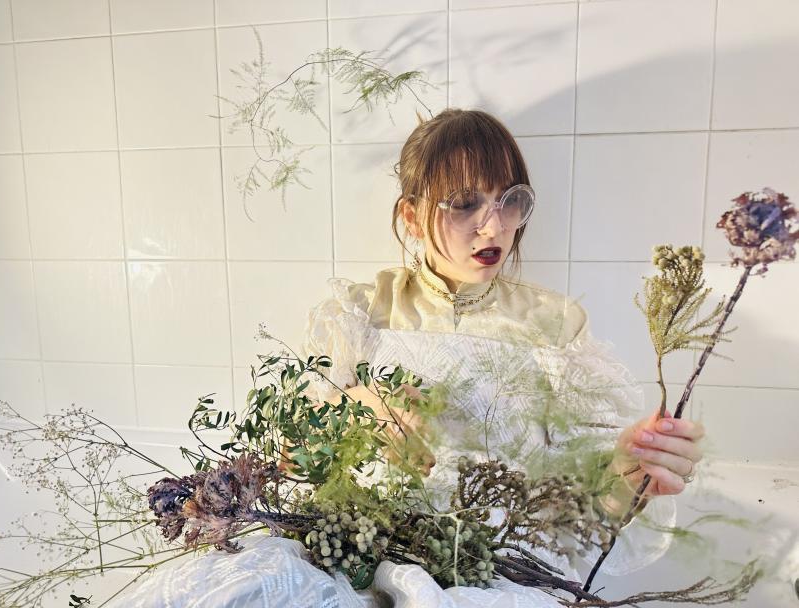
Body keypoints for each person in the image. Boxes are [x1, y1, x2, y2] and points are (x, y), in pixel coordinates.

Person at [113, 109, 705, 608]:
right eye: (465, 203)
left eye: (510, 201)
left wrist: (635, 467)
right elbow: (286, 459)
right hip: (351, 547)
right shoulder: (358, 314)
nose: (494, 225)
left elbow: (589, 502)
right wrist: (357, 410)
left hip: (494, 562)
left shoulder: (556, 325)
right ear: (410, 216)